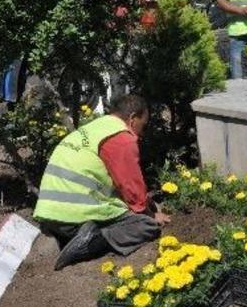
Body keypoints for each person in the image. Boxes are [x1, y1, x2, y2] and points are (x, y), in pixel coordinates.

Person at [34, 94, 169, 270]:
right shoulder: (122, 138)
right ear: (133, 118)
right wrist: (151, 215)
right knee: (146, 226)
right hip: (75, 217)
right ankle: (89, 243)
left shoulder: (96, 128)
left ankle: (74, 235)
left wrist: (147, 201)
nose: (142, 132)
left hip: (51, 213)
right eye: (143, 125)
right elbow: (130, 186)